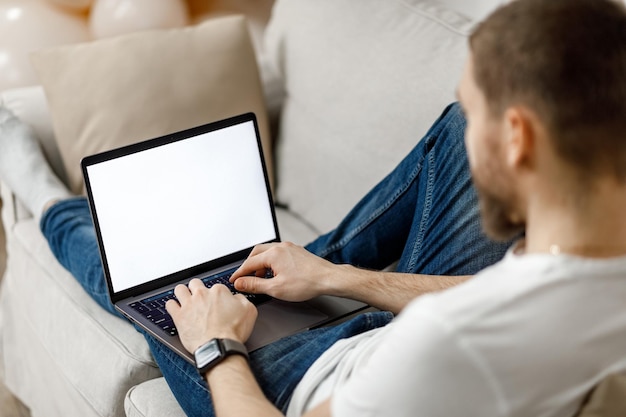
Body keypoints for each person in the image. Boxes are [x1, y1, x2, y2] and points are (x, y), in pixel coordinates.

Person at [1, 0, 623, 415]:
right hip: (408, 352)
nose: (471, 131)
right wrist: (339, 279)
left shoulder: (445, 343)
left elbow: (462, 332)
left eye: (480, 116)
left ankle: (46, 197)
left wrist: (216, 344)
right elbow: (495, 304)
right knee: (266, 269)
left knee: (163, 286)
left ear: (518, 138)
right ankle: (300, 265)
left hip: (314, 378)